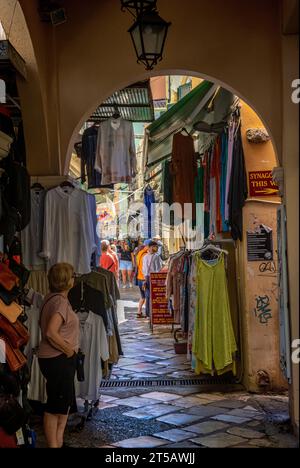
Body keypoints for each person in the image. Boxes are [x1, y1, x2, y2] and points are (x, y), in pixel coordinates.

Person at [37, 263, 79, 449]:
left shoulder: (52, 298)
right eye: (72, 276)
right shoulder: (60, 302)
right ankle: (54, 445)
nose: (74, 279)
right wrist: (69, 350)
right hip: (58, 359)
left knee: (62, 405)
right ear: (67, 281)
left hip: (54, 359)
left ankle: (58, 442)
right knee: (55, 407)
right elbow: (50, 332)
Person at [142, 241, 163, 319]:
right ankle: (151, 313)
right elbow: (159, 268)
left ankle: (148, 313)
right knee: (152, 296)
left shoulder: (146, 256)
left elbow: (144, 269)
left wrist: (145, 278)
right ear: (150, 247)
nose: (157, 248)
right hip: (154, 277)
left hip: (147, 277)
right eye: (155, 246)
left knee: (149, 296)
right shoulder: (156, 256)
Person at [135, 239, 152, 318]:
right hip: (144, 278)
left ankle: (139, 311)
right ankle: (148, 314)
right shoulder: (146, 255)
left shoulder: (139, 253)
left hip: (139, 278)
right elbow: (145, 268)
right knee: (147, 297)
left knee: (143, 297)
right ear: (148, 246)